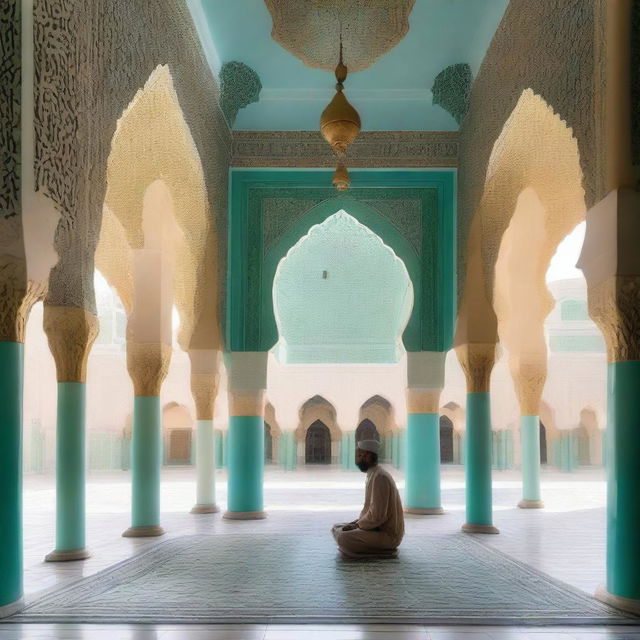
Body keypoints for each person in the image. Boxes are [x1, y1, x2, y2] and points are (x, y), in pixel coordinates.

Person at [331, 439, 404, 559]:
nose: (357, 459)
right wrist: (355, 523)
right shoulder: (374, 474)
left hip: (388, 535)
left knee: (343, 537)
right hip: (375, 528)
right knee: (336, 528)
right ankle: (362, 546)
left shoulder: (380, 477)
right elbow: (370, 512)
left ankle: (383, 551)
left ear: (368, 457)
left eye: (360, 456)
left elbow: (377, 516)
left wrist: (357, 526)